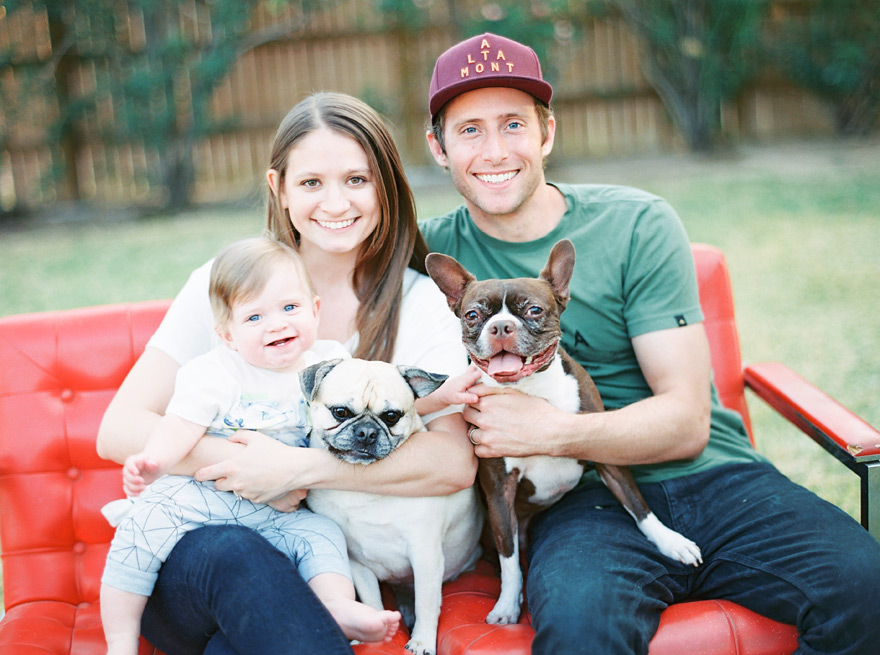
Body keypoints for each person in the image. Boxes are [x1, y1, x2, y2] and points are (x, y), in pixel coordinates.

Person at [419, 32, 880, 655]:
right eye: (469, 130)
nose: (495, 149)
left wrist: (548, 431)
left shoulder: (637, 222)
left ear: (546, 133)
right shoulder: (424, 253)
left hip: (715, 478)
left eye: (513, 124)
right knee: (584, 631)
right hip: (579, 505)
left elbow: (686, 422)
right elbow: (309, 275)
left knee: (867, 589)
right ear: (437, 148)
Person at [96, 92, 479, 655]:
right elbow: (118, 429)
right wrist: (247, 462)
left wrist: (298, 467)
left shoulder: (419, 303)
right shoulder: (230, 284)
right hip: (198, 557)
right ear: (277, 188)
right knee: (237, 555)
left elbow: (451, 462)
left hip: (305, 567)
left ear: (388, 187)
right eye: (310, 183)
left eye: (357, 179)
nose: (336, 203)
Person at [99, 236, 402, 655]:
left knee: (321, 532)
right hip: (201, 503)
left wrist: (438, 398)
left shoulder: (328, 365)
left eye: (290, 308)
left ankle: (335, 604)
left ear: (315, 310)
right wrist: (155, 462)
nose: (276, 324)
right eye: (255, 316)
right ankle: (119, 639)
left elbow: (383, 392)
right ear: (226, 334)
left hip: (276, 513)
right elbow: (181, 425)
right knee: (140, 537)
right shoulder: (217, 372)